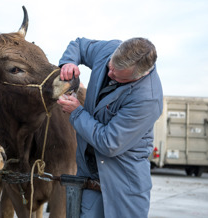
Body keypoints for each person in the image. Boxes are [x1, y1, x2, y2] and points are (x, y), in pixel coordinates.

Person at [57, 37, 163, 218]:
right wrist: (69, 62)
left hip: (122, 183)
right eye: (110, 66)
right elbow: (80, 45)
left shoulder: (147, 98)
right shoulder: (110, 50)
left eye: (117, 75)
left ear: (140, 75)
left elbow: (109, 143)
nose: (109, 73)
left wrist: (76, 112)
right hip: (89, 175)